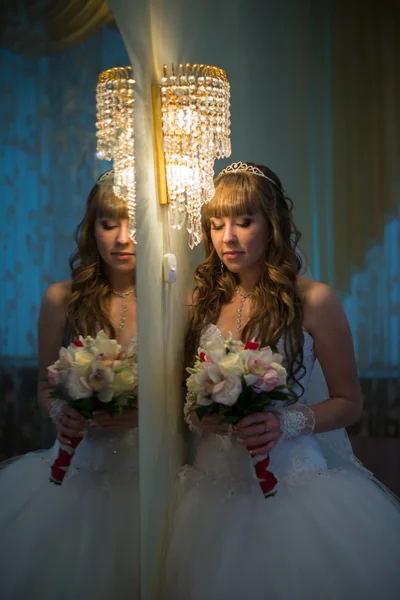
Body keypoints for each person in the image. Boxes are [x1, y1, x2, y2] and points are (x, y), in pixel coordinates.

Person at [161, 162, 400, 600]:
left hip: (294, 486)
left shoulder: (314, 299)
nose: (227, 237)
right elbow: (185, 393)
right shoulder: (199, 300)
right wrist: (200, 414)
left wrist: (283, 423)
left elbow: (349, 402)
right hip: (212, 488)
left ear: (272, 224)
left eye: (243, 222)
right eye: (216, 225)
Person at [0, 170, 139, 600]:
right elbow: (46, 384)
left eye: (133, 223)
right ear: (91, 228)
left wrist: (145, 414)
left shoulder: (178, 299)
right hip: (80, 466)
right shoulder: (60, 298)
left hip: (151, 470)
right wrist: (63, 413)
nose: (121, 238)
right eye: (109, 223)